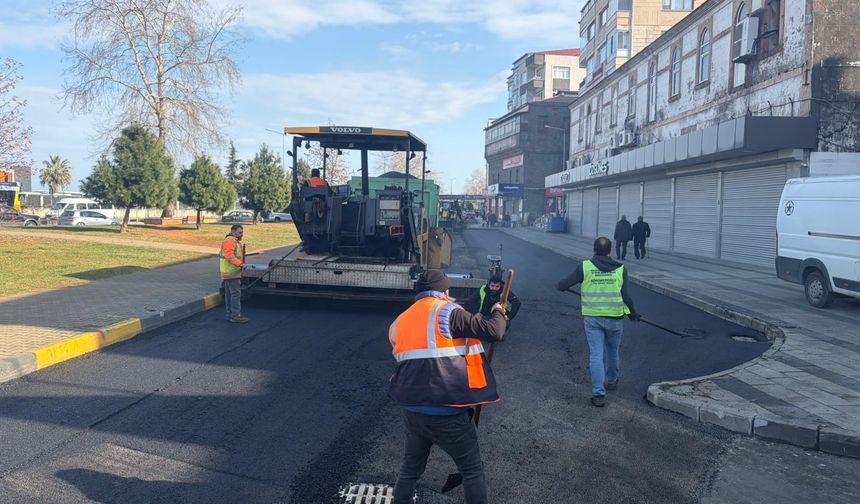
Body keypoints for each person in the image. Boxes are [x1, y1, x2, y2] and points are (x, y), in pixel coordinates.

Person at [389, 270, 508, 504]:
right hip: (447, 411)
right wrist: (499, 312)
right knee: (472, 469)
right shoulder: (448, 312)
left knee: (410, 469)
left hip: (413, 410)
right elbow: (495, 331)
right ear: (446, 291)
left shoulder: (400, 321)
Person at [556, 237, 640, 407]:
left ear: (593, 250)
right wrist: (633, 314)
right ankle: (610, 381)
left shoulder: (585, 267)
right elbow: (626, 297)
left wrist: (561, 286)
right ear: (610, 251)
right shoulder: (621, 269)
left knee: (596, 354)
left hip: (593, 318)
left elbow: (563, 284)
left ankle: (598, 394)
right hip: (615, 319)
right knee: (613, 351)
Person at [220, 224, 248, 323]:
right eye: (240, 232)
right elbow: (230, 257)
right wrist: (241, 264)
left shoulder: (233, 241)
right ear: (233, 231)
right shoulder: (230, 241)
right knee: (235, 295)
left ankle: (230, 315)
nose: (242, 234)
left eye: (242, 232)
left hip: (229, 272)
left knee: (229, 295)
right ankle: (235, 316)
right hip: (231, 272)